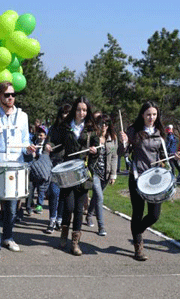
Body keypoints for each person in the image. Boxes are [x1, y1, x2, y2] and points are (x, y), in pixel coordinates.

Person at [0, 81, 36, 264]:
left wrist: (29, 149)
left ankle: (8, 237)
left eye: (13, 94)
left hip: (15, 168)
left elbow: (25, 140)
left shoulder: (23, 116)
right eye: (6, 95)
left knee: (12, 210)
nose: (10, 97)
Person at [48, 96, 100, 256]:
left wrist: (94, 152)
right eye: (79, 109)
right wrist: (49, 146)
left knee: (79, 209)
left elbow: (97, 148)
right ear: (74, 110)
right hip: (68, 171)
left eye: (84, 110)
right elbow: (56, 142)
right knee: (68, 206)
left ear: (88, 111)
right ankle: (64, 233)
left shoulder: (91, 130)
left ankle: (75, 242)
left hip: (83, 172)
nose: (81, 113)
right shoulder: (65, 127)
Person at [125, 101, 173, 261]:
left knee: (154, 215)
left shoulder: (160, 132)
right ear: (142, 115)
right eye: (148, 114)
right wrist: (123, 142)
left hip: (154, 180)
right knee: (138, 212)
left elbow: (163, 155)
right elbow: (121, 152)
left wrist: (169, 159)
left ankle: (137, 231)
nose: (151, 117)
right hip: (137, 178)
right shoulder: (133, 131)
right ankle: (138, 248)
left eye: (154, 114)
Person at [86, 114, 118, 236]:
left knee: (96, 197)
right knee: (99, 197)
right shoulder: (92, 137)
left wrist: (113, 175)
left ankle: (89, 215)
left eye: (106, 123)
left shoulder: (113, 138)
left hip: (106, 173)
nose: (104, 126)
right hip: (93, 172)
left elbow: (114, 157)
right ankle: (101, 226)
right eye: (101, 123)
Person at [43, 103, 71, 234]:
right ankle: (52, 219)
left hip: (68, 164)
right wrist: (48, 145)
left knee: (64, 194)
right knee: (54, 192)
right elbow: (48, 141)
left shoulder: (73, 129)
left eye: (68, 114)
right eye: (63, 113)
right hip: (55, 162)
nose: (65, 116)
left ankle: (60, 218)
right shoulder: (54, 128)